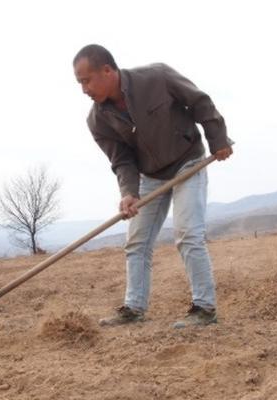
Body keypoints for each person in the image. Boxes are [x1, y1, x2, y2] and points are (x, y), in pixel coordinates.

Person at [73, 44, 234, 328]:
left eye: (86, 80)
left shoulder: (157, 77)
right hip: (150, 176)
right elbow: (122, 160)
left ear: (107, 71)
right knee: (136, 243)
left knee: (187, 234)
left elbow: (200, 102)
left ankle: (204, 309)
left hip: (187, 161)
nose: (84, 89)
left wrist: (217, 139)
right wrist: (129, 193)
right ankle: (134, 309)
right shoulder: (97, 120)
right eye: (79, 83)